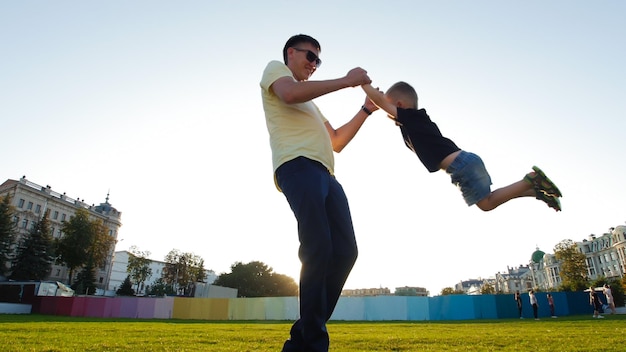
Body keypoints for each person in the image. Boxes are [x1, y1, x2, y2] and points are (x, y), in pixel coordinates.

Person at [260, 34, 375, 352]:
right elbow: (290, 94)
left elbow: (337, 140)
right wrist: (347, 80)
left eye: (318, 60)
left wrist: (365, 109)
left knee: (346, 251)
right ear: (290, 53)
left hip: (327, 175)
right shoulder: (275, 72)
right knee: (318, 246)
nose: (313, 64)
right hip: (297, 166)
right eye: (310, 56)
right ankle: (311, 344)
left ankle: (302, 338)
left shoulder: (312, 104)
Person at [361, 82, 562, 212]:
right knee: (490, 199)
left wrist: (363, 83)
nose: (386, 112)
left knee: (486, 204)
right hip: (464, 163)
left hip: (461, 165)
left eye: (387, 107)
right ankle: (535, 191)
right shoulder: (410, 123)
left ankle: (533, 179)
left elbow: (379, 101)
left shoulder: (411, 117)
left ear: (400, 104)